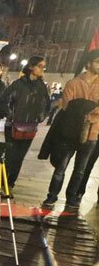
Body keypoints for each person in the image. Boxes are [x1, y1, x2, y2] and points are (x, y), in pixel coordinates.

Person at [39, 50, 99, 211]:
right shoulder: (73, 83)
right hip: (70, 131)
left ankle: (72, 198)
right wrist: (91, 107)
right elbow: (68, 106)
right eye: (97, 62)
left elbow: (80, 108)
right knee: (61, 167)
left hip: (92, 133)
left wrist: (87, 113)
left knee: (80, 169)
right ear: (88, 63)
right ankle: (52, 195)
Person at [0, 56, 49, 190]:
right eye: (40, 66)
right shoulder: (18, 84)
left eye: (44, 67)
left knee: (20, 157)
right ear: (31, 67)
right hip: (13, 126)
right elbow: (4, 100)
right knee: (10, 155)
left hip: (30, 127)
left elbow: (46, 105)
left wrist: (40, 117)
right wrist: (10, 115)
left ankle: (10, 184)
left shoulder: (41, 87)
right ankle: (2, 183)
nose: (42, 69)